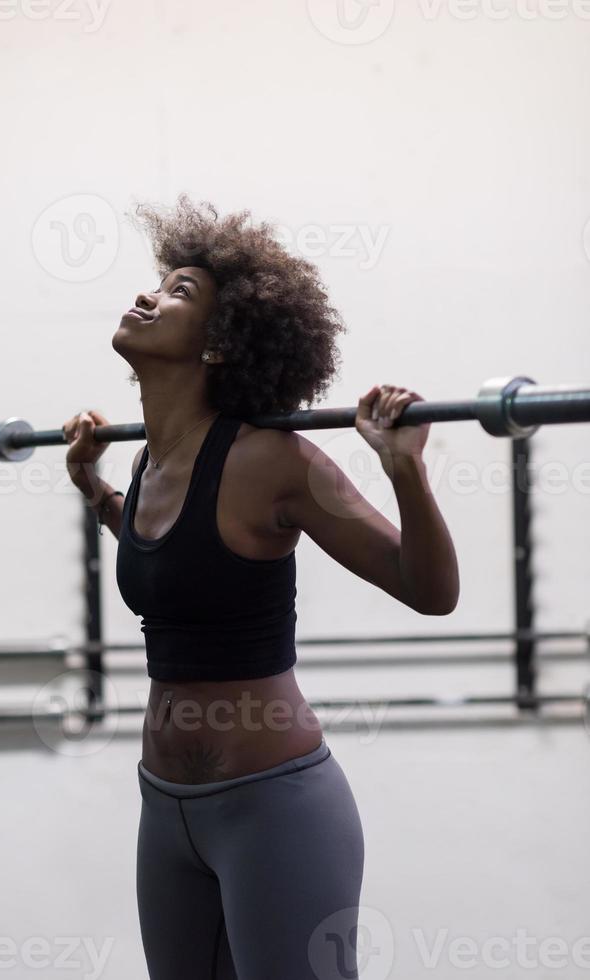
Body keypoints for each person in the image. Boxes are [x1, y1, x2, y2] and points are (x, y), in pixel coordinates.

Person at [62, 194, 459, 979]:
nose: (146, 295)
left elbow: (429, 588)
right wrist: (94, 487)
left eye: (178, 292)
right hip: (164, 809)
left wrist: (404, 470)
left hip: (272, 808)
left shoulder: (274, 461)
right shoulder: (150, 461)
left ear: (218, 347)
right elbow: (177, 565)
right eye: (158, 283)